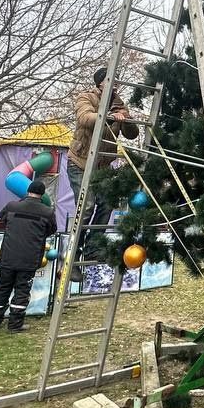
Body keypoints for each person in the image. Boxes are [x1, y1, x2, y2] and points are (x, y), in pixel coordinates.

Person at [67, 68, 139, 268]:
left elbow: (132, 134)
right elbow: (85, 119)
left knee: (107, 204)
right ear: (100, 83)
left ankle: (93, 247)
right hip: (80, 163)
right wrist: (109, 116)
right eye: (110, 80)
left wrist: (127, 118)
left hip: (103, 166)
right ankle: (74, 253)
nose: (114, 83)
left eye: (116, 80)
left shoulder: (119, 104)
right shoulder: (86, 98)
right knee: (87, 206)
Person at [0, 179, 58, 333]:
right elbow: (52, 229)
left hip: (8, 255)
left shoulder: (12, 206)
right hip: (29, 258)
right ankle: (15, 324)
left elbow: (3, 219)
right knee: (22, 290)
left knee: (2, 287)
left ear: (28, 191)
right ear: (42, 195)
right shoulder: (47, 212)